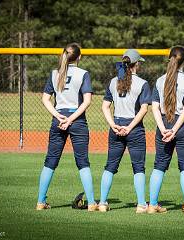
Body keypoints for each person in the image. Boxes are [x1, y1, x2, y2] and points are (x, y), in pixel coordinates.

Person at [36, 42, 97, 211]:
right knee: (83, 162)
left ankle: (41, 202)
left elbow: (45, 99)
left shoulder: (55, 73)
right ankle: (91, 203)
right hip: (76, 120)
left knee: (50, 161)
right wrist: (70, 120)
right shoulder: (83, 73)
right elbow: (87, 101)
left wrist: (57, 116)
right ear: (79, 57)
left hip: (58, 119)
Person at [148, 45, 184, 216]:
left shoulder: (159, 80)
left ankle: (152, 205)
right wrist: (175, 130)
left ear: (169, 59)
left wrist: (164, 129)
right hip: (182, 126)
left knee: (159, 166)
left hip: (163, 124)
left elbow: (155, 108)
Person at [99, 49, 151, 213]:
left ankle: (102, 203)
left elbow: (105, 106)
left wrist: (113, 124)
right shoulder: (142, 83)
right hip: (134, 128)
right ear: (136, 65)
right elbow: (143, 110)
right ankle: (141, 204)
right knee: (138, 167)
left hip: (116, 126)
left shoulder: (113, 81)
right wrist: (129, 127)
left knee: (110, 166)